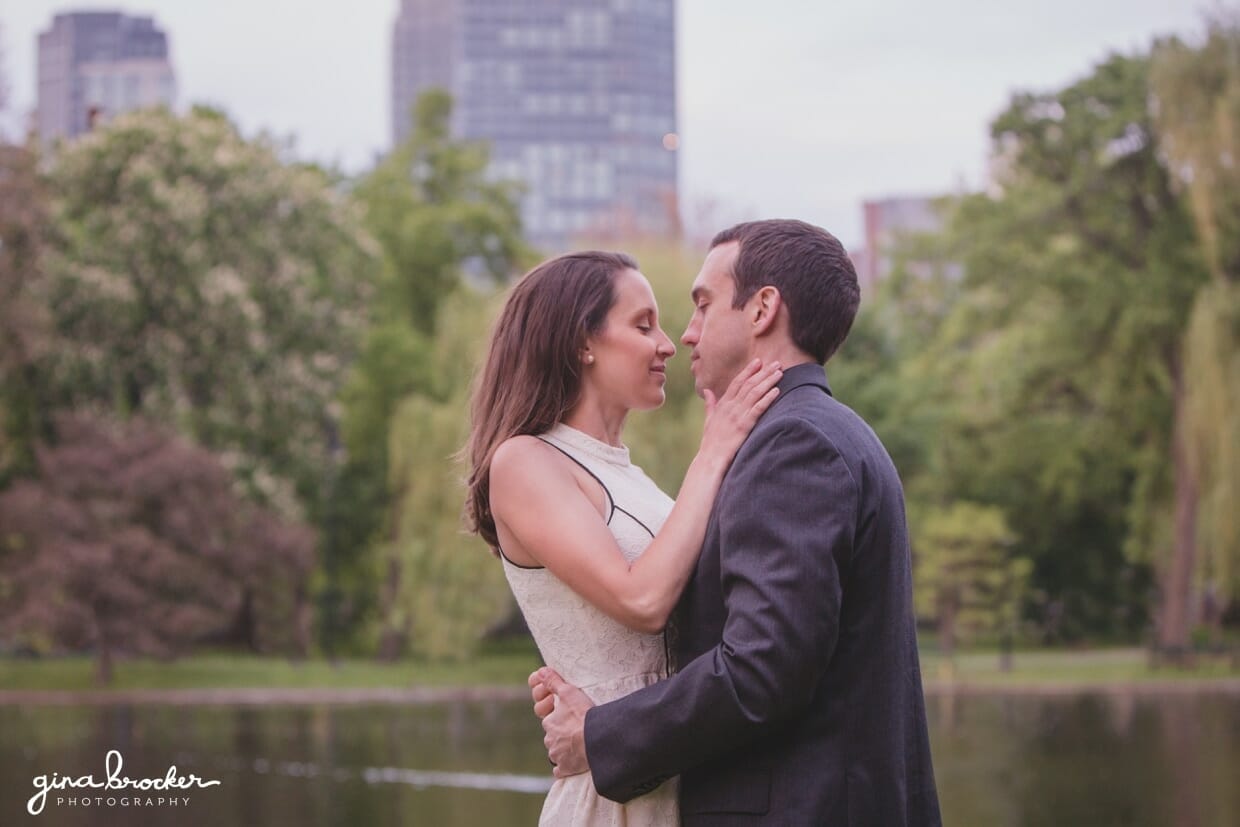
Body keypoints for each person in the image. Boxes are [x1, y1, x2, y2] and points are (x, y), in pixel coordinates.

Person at [532, 220, 942, 825]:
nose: (686, 335)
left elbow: (762, 668)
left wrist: (599, 735)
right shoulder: (827, 431)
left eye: (702, 304)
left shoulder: (794, 445)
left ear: (763, 309)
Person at [464, 250, 783, 825]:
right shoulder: (524, 461)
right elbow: (642, 600)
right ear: (581, 342)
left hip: (680, 772)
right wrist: (713, 454)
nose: (668, 343)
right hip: (613, 800)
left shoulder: (632, 479)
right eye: (642, 325)